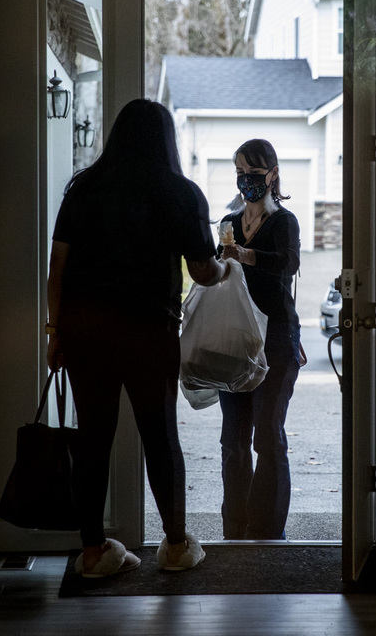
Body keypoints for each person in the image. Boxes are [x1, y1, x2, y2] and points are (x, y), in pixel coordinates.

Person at [45, 99, 227, 577]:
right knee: (160, 435)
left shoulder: (84, 188)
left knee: (92, 437)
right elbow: (202, 270)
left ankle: (93, 552)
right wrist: (226, 268)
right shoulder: (181, 193)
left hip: (85, 329)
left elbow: (58, 266)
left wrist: (54, 329)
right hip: (149, 329)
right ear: (166, 140)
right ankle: (174, 547)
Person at [216, 138, 302, 539]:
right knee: (233, 437)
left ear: (272, 175)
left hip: (276, 339)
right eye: (239, 172)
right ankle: (235, 526)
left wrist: (245, 256)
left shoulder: (284, 222)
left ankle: (267, 531)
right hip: (236, 338)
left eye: (252, 173)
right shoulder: (228, 223)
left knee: (267, 436)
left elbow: (288, 263)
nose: (245, 180)